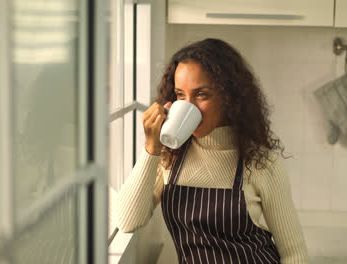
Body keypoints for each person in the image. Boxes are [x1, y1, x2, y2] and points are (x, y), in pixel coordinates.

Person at [114, 38, 309, 263]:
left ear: (229, 97)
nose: (188, 106)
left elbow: (294, 253)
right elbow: (126, 221)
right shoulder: (169, 157)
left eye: (201, 95)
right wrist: (151, 148)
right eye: (180, 95)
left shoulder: (262, 163)